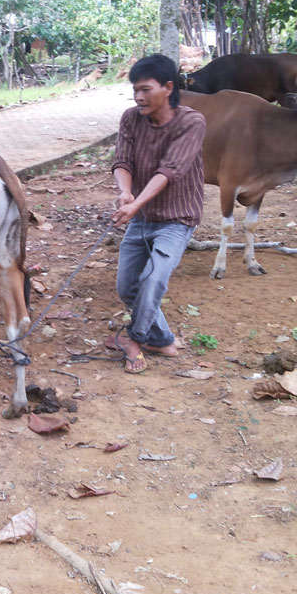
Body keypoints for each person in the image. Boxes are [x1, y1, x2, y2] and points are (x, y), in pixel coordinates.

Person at [108, 53, 205, 374]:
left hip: (177, 218)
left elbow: (170, 170)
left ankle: (135, 340)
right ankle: (162, 339)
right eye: (135, 90)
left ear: (168, 87)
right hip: (142, 216)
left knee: (153, 277)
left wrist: (135, 204)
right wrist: (125, 192)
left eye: (145, 90)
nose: (138, 97)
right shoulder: (131, 118)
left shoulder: (191, 123)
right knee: (127, 286)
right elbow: (122, 161)